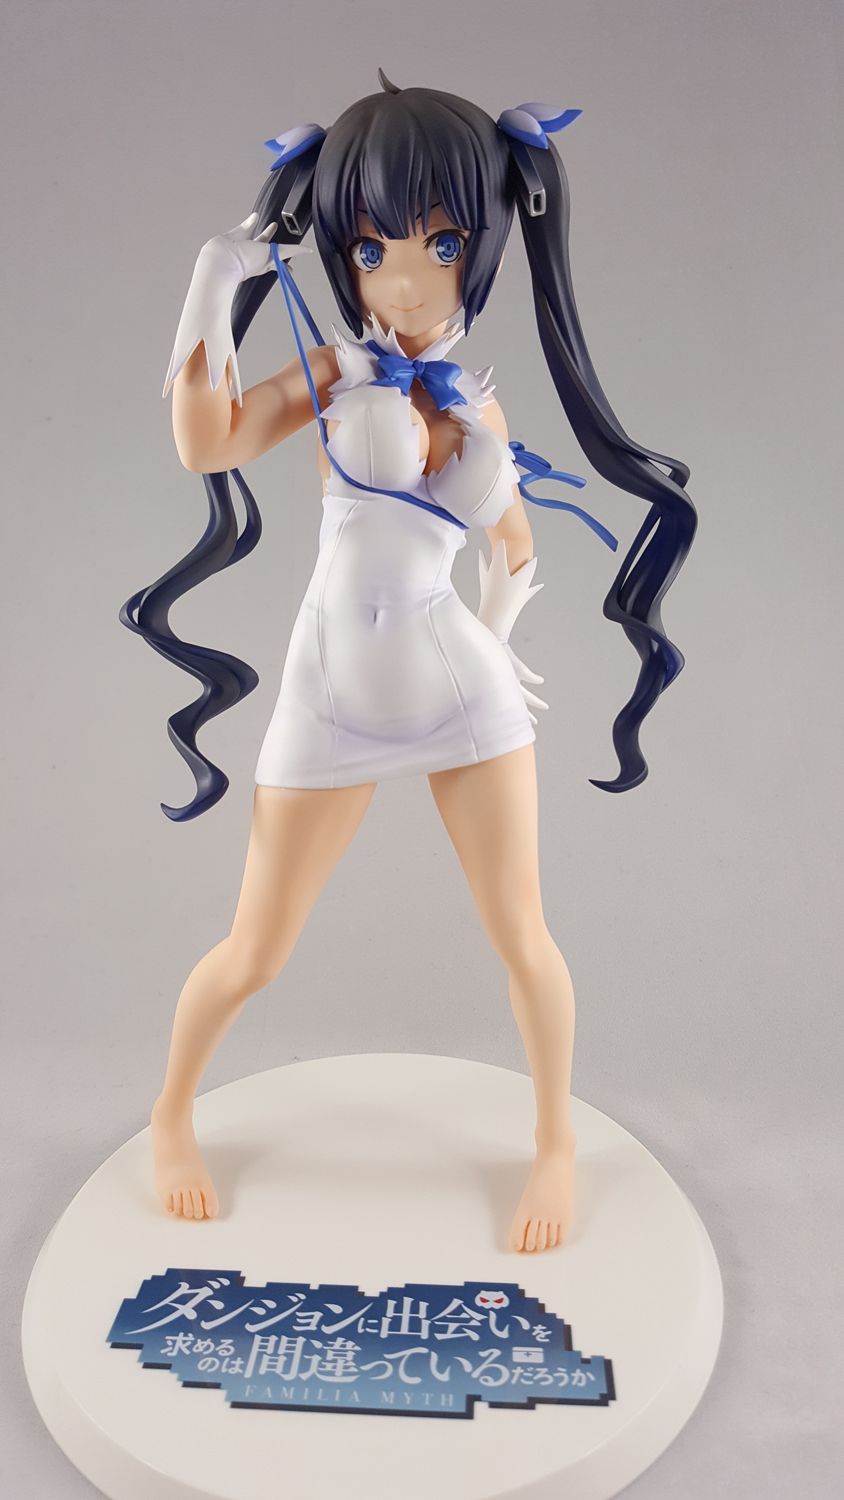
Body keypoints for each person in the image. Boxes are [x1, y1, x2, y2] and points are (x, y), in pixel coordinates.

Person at [123, 70, 696, 1253]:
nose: (405, 278)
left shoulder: (480, 407)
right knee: (254, 951)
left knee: (522, 936)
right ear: (341, 250)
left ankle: (552, 1141)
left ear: (482, 246)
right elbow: (205, 442)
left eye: (441, 243)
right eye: (371, 245)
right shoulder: (335, 375)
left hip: (461, 692)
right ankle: (170, 1115)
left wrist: (498, 639)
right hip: (328, 698)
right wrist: (213, 280)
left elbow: (514, 543)